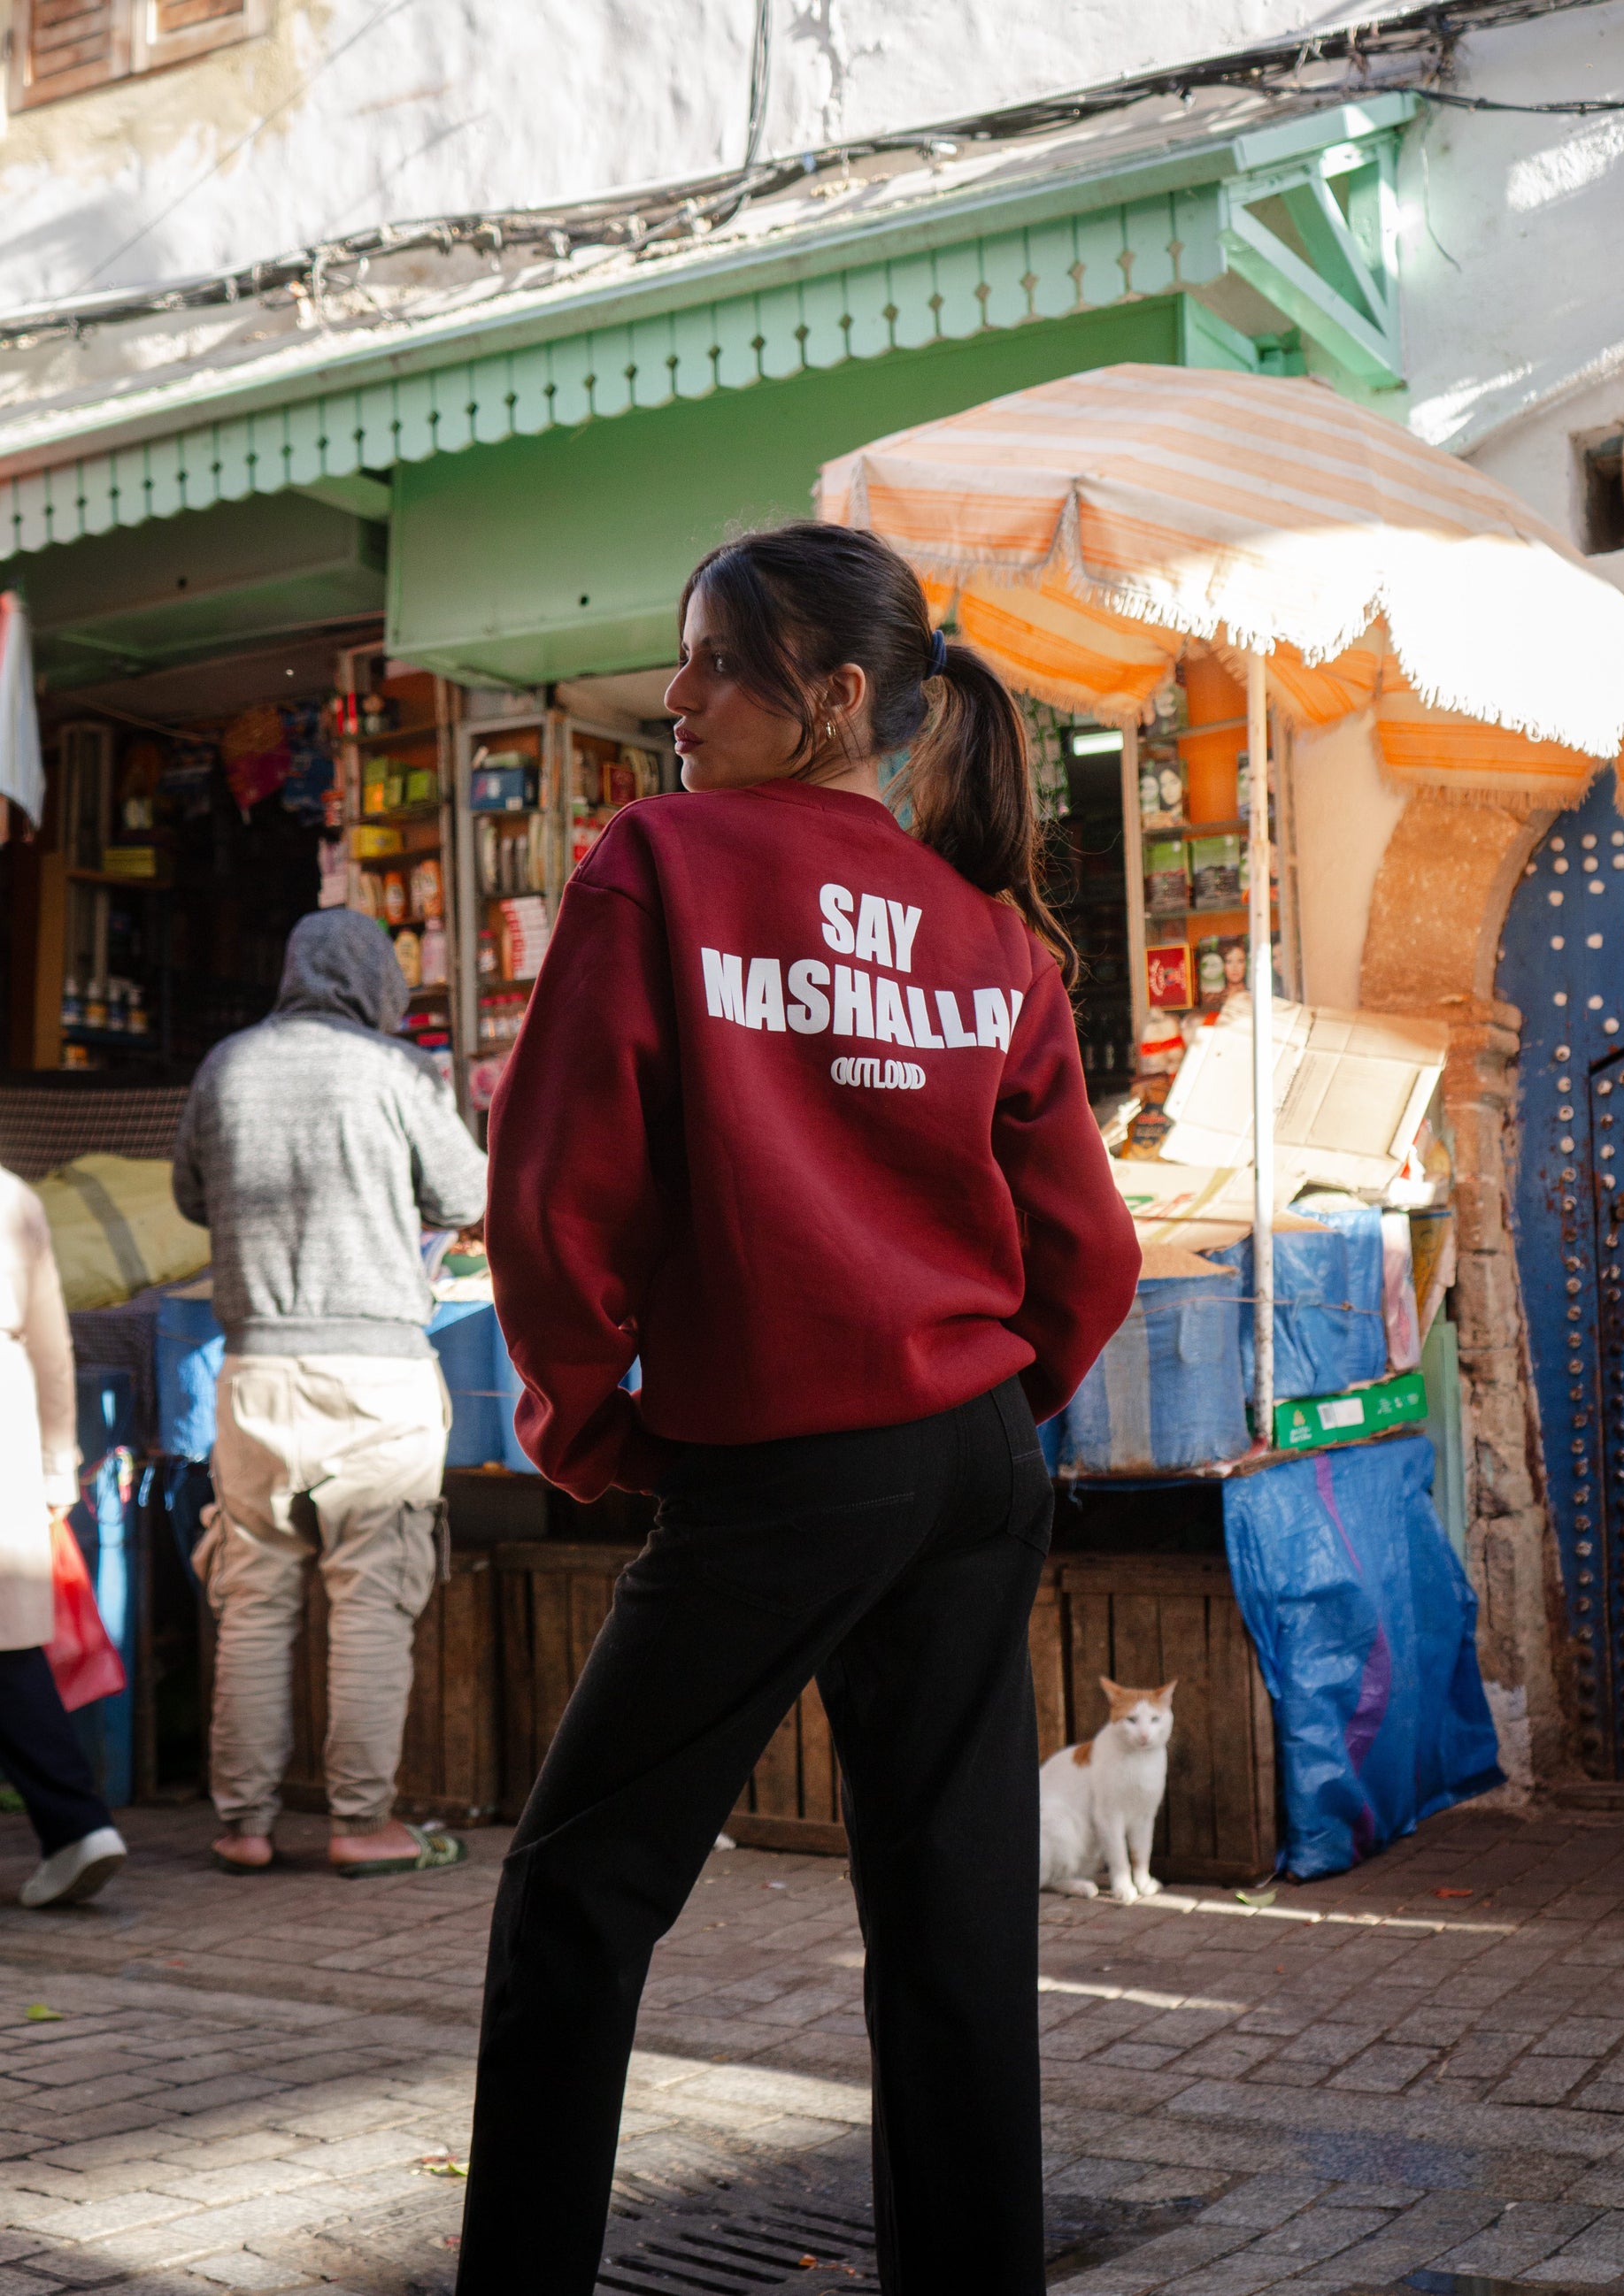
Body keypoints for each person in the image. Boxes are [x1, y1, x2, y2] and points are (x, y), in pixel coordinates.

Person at [458, 524, 1140, 2294]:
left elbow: (549, 1204)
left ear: (836, 697)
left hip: (780, 1461)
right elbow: (1087, 1250)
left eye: (711, 665)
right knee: (954, 1928)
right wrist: (984, 1407)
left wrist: (594, 1424)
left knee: (578, 1899)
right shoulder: (992, 936)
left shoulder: (657, 867)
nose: (673, 701)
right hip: (974, 1462)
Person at [172, 910, 488, 1878]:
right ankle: (361, 1821)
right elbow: (469, 1195)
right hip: (376, 1377)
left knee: (253, 1596)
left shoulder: (228, 1065)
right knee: (369, 1598)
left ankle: (245, 1825)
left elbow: (191, 1196)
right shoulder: (396, 1072)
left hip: (257, 1370)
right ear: (376, 986)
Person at [0, 1164, 127, 1908]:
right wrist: (55, 1472)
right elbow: (54, 1348)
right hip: (7, 1416)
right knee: (10, 1653)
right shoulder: (11, 1193)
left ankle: (76, 1827)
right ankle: (77, 1825)